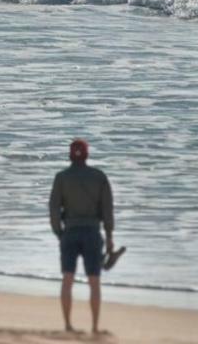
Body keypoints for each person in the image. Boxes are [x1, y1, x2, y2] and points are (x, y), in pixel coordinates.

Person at [49, 138, 115, 335]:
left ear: (70, 154)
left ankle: (68, 325)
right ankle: (94, 327)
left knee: (67, 278)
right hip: (92, 233)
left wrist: (59, 232)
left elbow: (53, 209)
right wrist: (110, 236)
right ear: (87, 154)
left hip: (69, 231)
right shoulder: (99, 177)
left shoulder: (61, 177)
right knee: (94, 281)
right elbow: (107, 210)